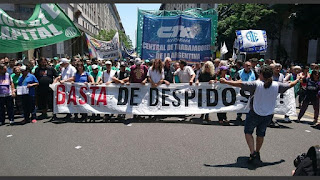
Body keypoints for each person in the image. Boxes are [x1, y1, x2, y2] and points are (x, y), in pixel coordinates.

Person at [220, 65, 301, 164]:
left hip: (254, 112)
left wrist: (226, 82)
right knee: (261, 134)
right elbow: (290, 85)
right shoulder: (277, 85)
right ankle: (257, 152)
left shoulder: (256, 84)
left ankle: (252, 152)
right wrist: (298, 79)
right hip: (268, 115)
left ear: (261, 74)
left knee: (248, 132)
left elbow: (240, 84)